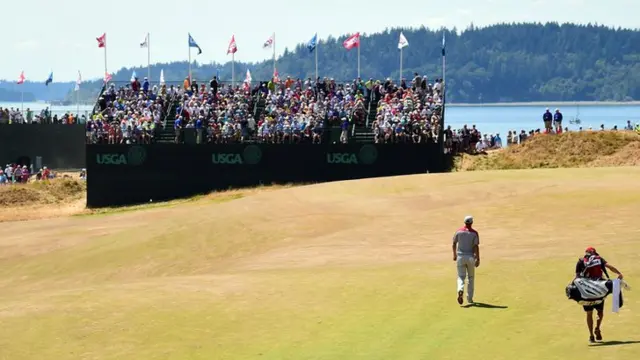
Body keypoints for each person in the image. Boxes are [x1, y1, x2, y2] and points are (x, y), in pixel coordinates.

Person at [575, 247, 624, 343]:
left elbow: (577, 277)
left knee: (589, 314)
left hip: (586, 291)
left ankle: (591, 335)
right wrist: (619, 273)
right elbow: (609, 267)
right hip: (599, 289)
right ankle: (597, 328)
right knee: (600, 312)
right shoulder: (598, 259)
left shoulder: (580, 261)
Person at [452, 215, 480, 305]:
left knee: (461, 276)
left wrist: (454, 255)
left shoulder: (458, 232)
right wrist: (478, 258)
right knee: (471, 278)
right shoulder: (474, 233)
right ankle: (470, 298)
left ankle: (460, 290)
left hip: (460, 257)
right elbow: (476, 246)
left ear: (464, 222)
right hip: (470, 257)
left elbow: (454, 243)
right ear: (471, 223)